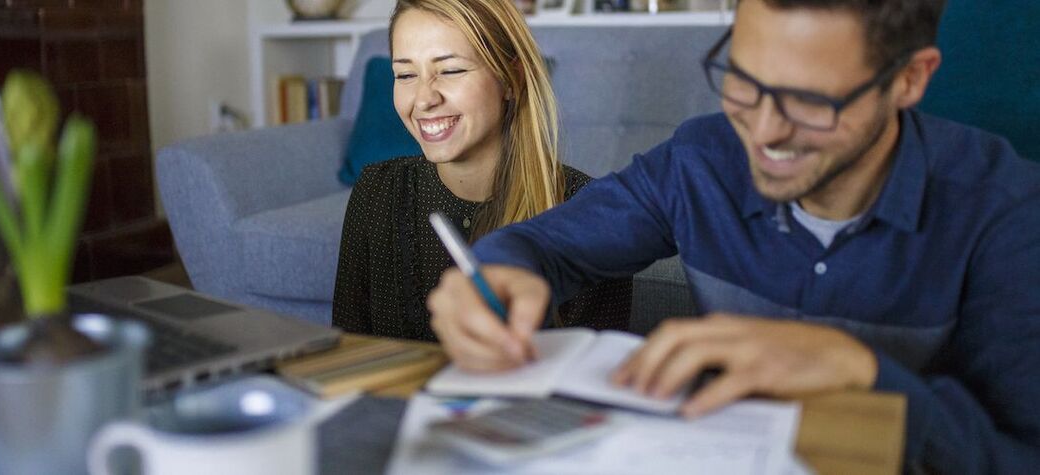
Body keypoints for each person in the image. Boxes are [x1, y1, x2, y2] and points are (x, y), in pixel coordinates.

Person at [427, 0, 1040, 471]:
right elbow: (546, 245)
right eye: (742, 81)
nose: (764, 133)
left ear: (909, 79)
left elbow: (1020, 454)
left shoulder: (1005, 210)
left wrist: (857, 369)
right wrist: (497, 272)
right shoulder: (702, 158)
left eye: (807, 101)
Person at [332, 0, 632, 341]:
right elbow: (347, 352)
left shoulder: (587, 212)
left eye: (451, 70)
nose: (424, 99)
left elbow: (587, 377)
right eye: (406, 75)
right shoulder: (375, 191)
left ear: (511, 80)